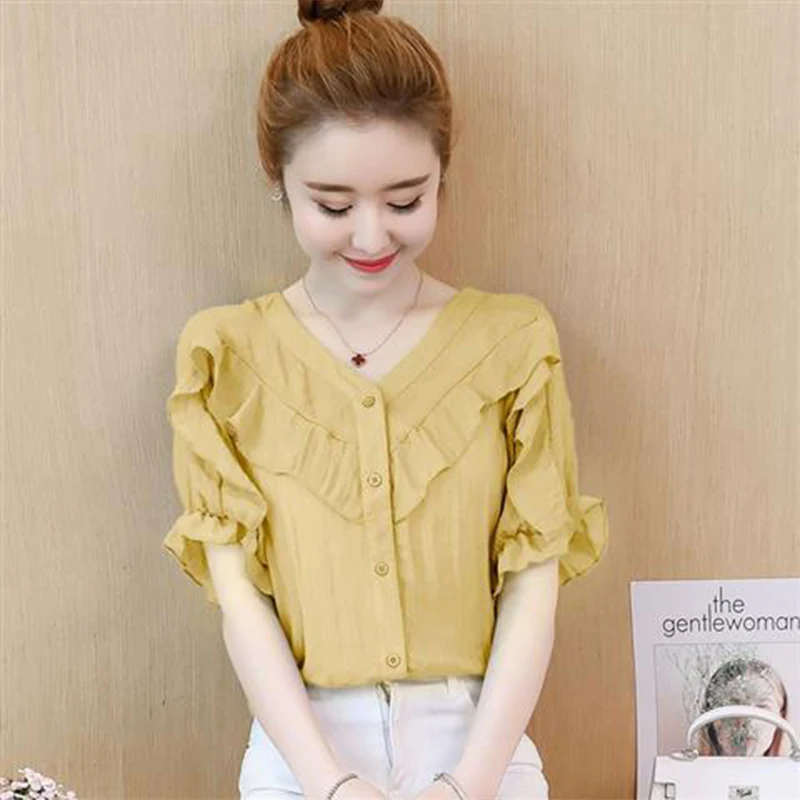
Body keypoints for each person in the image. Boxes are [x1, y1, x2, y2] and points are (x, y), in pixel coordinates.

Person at [162, 1, 609, 798]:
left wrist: (466, 785)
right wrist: (331, 785)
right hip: (301, 754)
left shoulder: (512, 343)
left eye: (406, 200)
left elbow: (533, 587)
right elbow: (241, 601)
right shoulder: (226, 356)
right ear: (278, 181)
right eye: (333, 206)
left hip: (480, 747)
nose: (371, 238)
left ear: (443, 176)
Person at [698, 658, 789, 757]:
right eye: (733, 706)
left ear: (781, 716)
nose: (747, 720)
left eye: (761, 707)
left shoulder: (794, 766)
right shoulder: (688, 765)